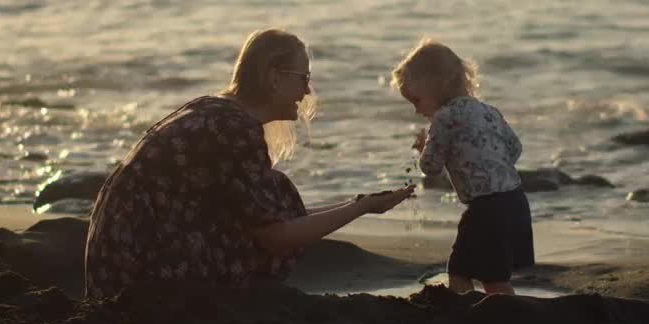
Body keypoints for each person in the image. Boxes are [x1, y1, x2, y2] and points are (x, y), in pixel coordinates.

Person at [84, 28, 414, 298]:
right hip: (135, 281)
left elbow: (269, 217)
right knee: (277, 191)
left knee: (272, 193)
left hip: (119, 266)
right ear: (274, 77)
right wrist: (361, 209)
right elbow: (276, 237)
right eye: (303, 77)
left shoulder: (217, 111)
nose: (308, 89)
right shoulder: (233, 129)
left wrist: (358, 203)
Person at [392, 38, 532, 295]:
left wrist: (424, 147)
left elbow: (431, 167)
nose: (416, 110)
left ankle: (482, 317)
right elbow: (515, 149)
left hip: (485, 209)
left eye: (416, 100)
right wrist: (488, 163)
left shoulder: (443, 118)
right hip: (515, 201)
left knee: (461, 271)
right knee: (495, 276)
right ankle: (500, 316)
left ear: (436, 86)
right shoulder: (489, 110)